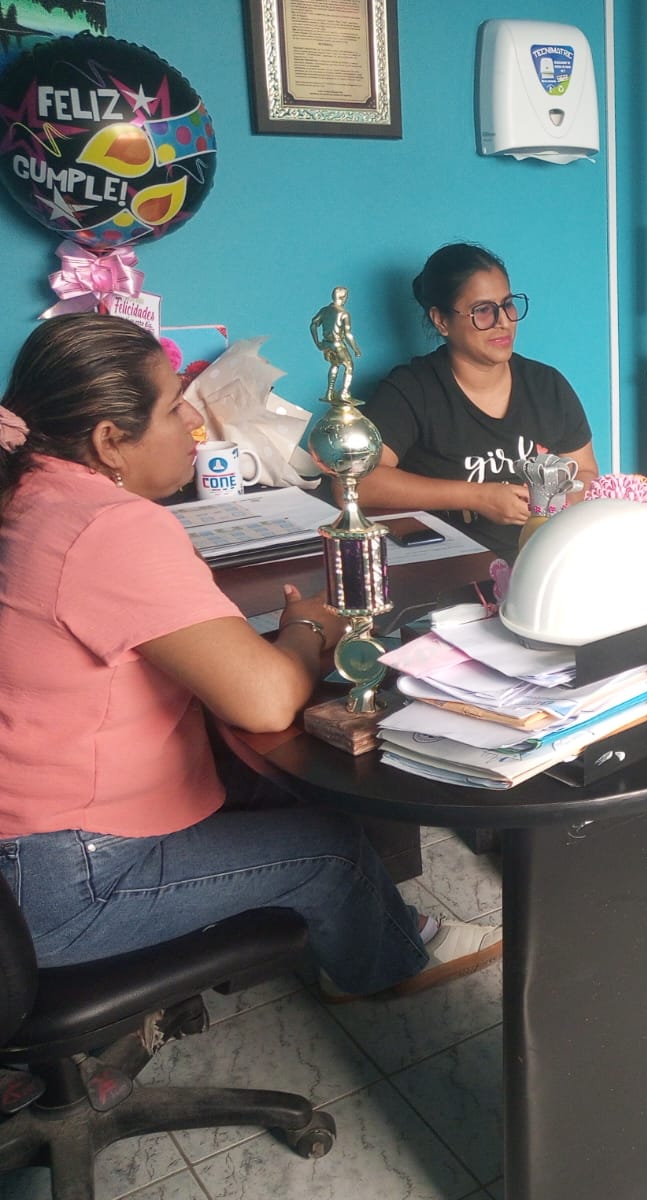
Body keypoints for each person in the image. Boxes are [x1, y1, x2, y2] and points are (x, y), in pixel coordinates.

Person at [0, 313, 501, 1000]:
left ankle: (357, 926)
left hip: (33, 847)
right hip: (70, 880)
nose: (192, 424)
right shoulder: (106, 527)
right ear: (110, 440)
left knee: (278, 779)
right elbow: (263, 701)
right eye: (174, 408)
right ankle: (389, 966)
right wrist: (306, 628)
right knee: (330, 850)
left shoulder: (29, 494)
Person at [356, 243, 599, 560]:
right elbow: (359, 483)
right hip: (452, 570)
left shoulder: (547, 385)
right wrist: (478, 497)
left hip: (544, 561)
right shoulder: (412, 389)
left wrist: (555, 505)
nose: (503, 321)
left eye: (508, 304)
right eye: (483, 310)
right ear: (441, 321)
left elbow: (585, 471)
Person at [309, 284, 361, 402]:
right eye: (346, 297)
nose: (346, 299)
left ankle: (329, 392)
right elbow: (347, 334)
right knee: (349, 366)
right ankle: (344, 392)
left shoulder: (324, 310)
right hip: (337, 344)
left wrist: (317, 342)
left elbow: (313, 325)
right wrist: (355, 349)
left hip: (326, 345)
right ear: (342, 297)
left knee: (334, 365)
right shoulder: (344, 313)